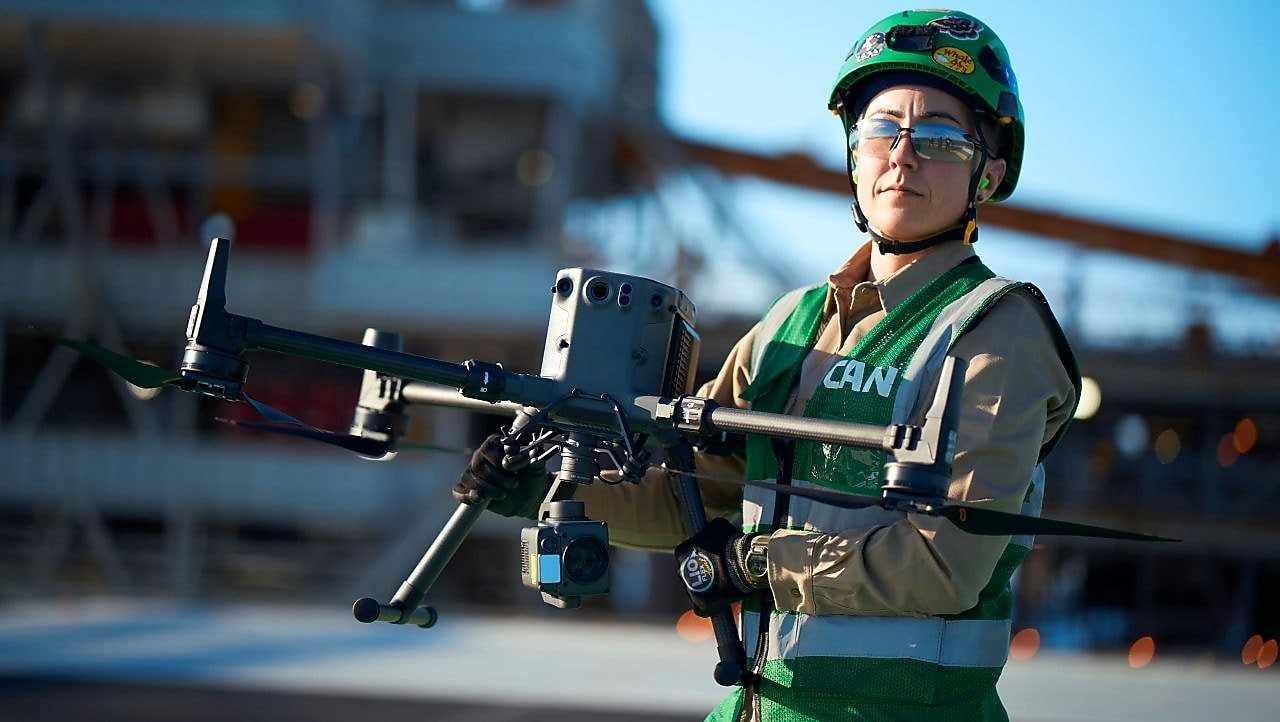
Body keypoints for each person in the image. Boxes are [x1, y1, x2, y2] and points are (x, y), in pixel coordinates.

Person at [454, 9, 1079, 721]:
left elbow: (944, 565)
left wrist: (754, 564)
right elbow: (695, 497)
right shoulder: (789, 322)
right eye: (881, 129)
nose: (902, 154)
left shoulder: (999, 330)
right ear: (853, 154)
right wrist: (543, 489)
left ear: (988, 174)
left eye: (938, 135)